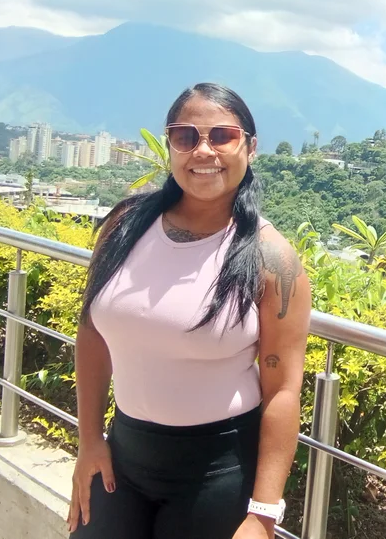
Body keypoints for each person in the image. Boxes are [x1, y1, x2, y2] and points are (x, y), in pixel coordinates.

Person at [68, 83, 311, 539]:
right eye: (186, 136)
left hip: (216, 474)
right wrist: (90, 440)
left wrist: (263, 514)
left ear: (250, 148)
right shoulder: (124, 226)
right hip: (122, 456)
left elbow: (282, 391)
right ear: (170, 146)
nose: (203, 151)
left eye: (222, 136)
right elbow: (92, 333)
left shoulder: (272, 260)